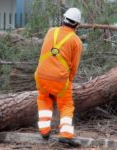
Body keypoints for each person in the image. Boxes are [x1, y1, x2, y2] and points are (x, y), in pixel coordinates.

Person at [35, 8, 83, 147]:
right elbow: (73, 67)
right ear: (77, 25)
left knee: (44, 99)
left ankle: (44, 131)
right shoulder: (76, 41)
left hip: (41, 75)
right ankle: (66, 135)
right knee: (66, 105)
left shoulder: (51, 31)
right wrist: (69, 81)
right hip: (59, 79)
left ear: (64, 19)